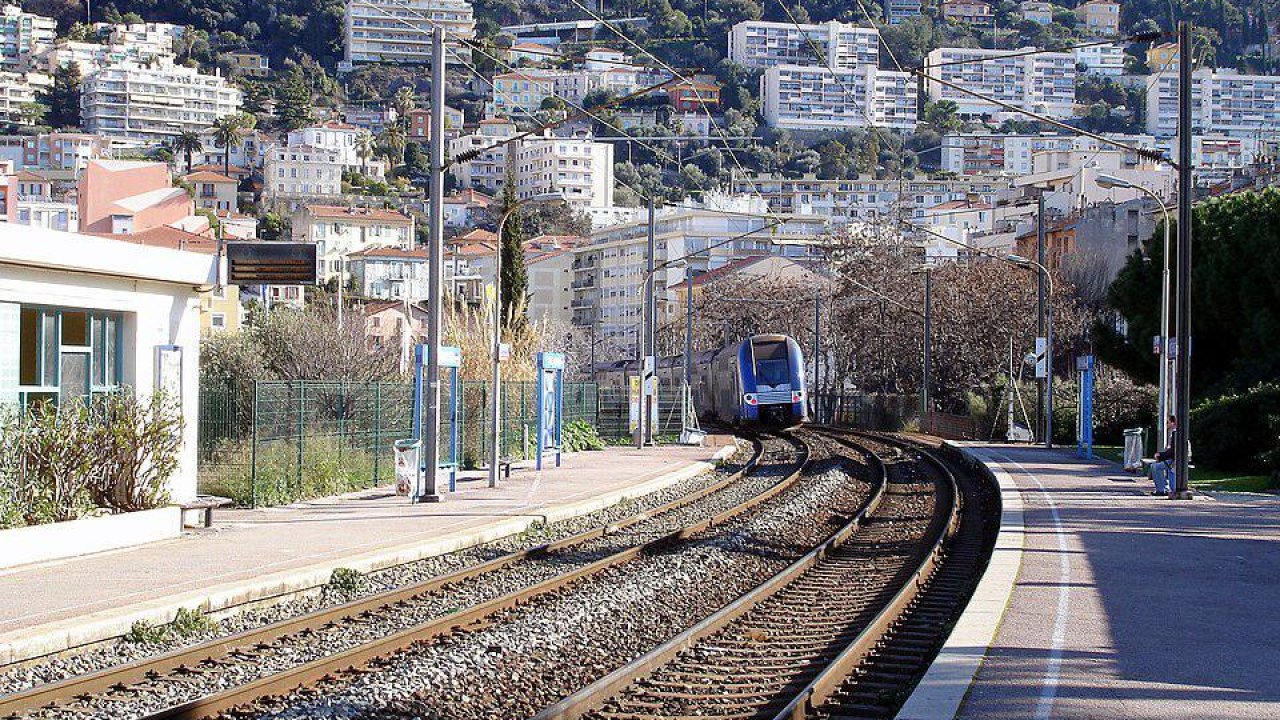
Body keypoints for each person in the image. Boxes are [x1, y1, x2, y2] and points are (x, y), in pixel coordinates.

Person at [1151, 415, 1177, 496]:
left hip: (1174, 460)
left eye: (1168, 422)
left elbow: (1172, 452)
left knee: (1155, 467)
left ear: (1173, 423)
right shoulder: (1174, 433)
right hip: (1172, 458)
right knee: (1154, 466)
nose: (1167, 424)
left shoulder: (1176, 433)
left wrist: (1160, 456)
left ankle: (1162, 489)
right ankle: (1162, 488)